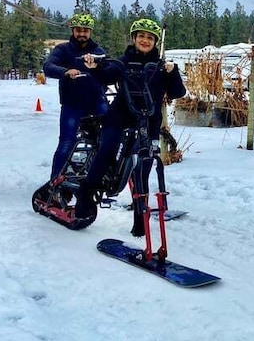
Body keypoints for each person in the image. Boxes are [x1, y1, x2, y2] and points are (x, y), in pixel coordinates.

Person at [74, 18, 186, 235]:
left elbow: (177, 93)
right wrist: (95, 66)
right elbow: (107, 74)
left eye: (150, 37)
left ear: (155, 42)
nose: (145, 40)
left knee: (143, 168)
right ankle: (85, 195)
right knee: (107, 148)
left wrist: (173, 73)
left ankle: (139, 219)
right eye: (141, 36)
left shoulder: (162, 67)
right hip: (120, 116)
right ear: (134, 38)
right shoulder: (123, 62)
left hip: (148, 122)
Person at [43, 13, 108, 180]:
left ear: (90, 32)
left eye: (85, 30)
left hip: (96, 102)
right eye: (78, 30)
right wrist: (65, 72)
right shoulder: (63, 50)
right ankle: (55, 183)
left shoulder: (98, 51)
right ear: (73, 30)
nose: (82, 34)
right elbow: (48, 66)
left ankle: (101, 179)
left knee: (107, 141)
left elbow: (109, 70)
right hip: (72, 104)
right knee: (66, 143)